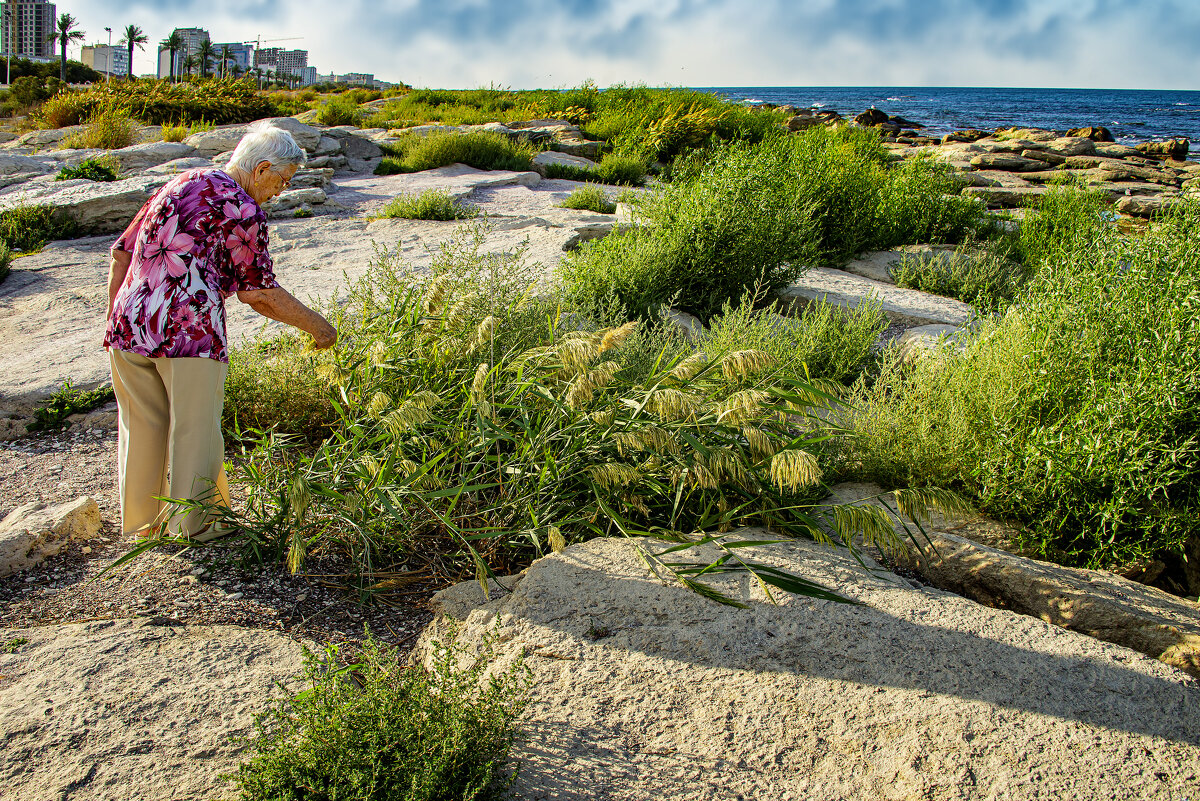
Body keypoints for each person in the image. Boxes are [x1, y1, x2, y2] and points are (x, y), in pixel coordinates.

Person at [103, 121, 336, 540]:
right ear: (262, 168)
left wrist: (117, 318)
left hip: (130, 323)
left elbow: (120, 253)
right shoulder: (243, 208)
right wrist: (318, 327)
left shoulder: (179, 182)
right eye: (282, 181)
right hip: (188, 333)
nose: (280, 191)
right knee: (194, 428)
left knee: (142, 427)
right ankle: (196, 527)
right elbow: (259, 293)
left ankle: (142, 526)